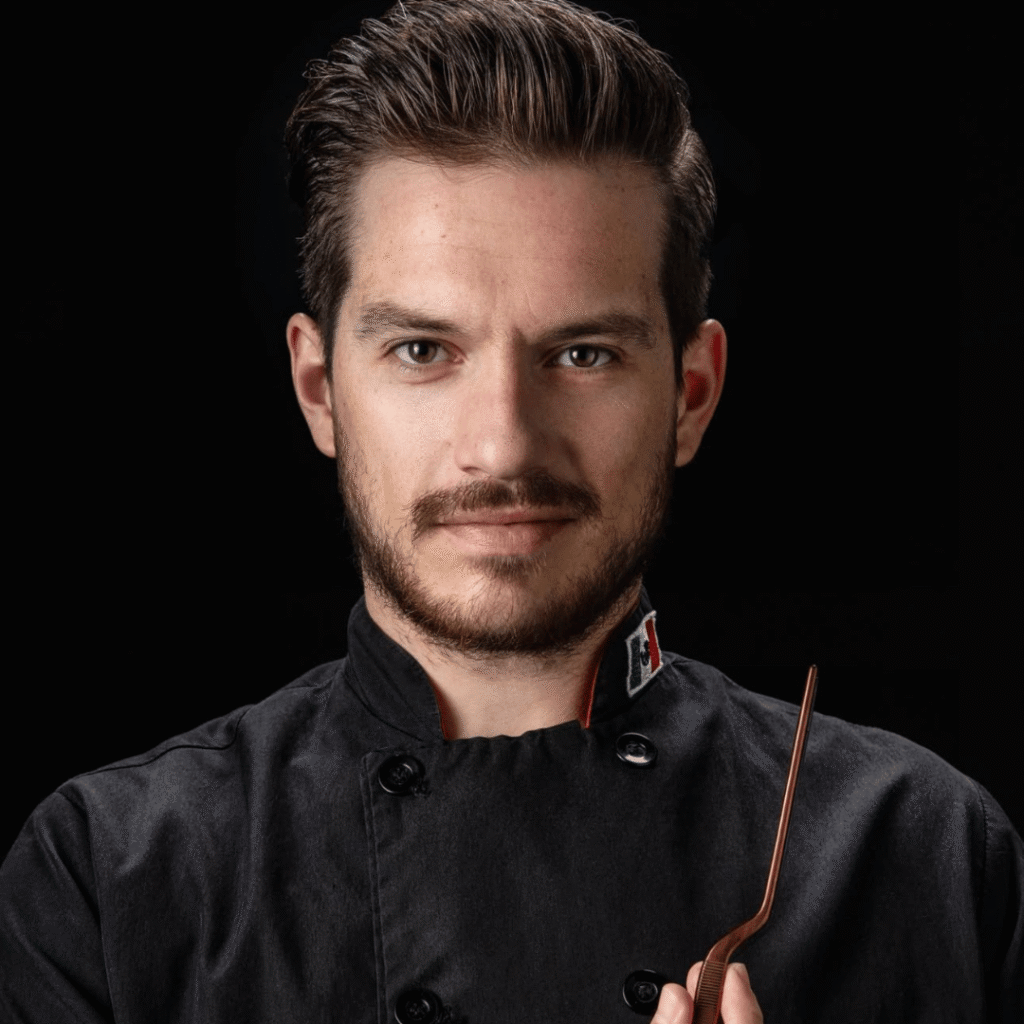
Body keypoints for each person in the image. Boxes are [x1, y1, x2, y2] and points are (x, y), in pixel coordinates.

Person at [1, 2, 1020, 1022]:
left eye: (582, 354)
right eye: (422, 351)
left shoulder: (928, 853)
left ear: (691, 393)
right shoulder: (109, 877)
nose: (503, 445)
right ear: (319, 390)